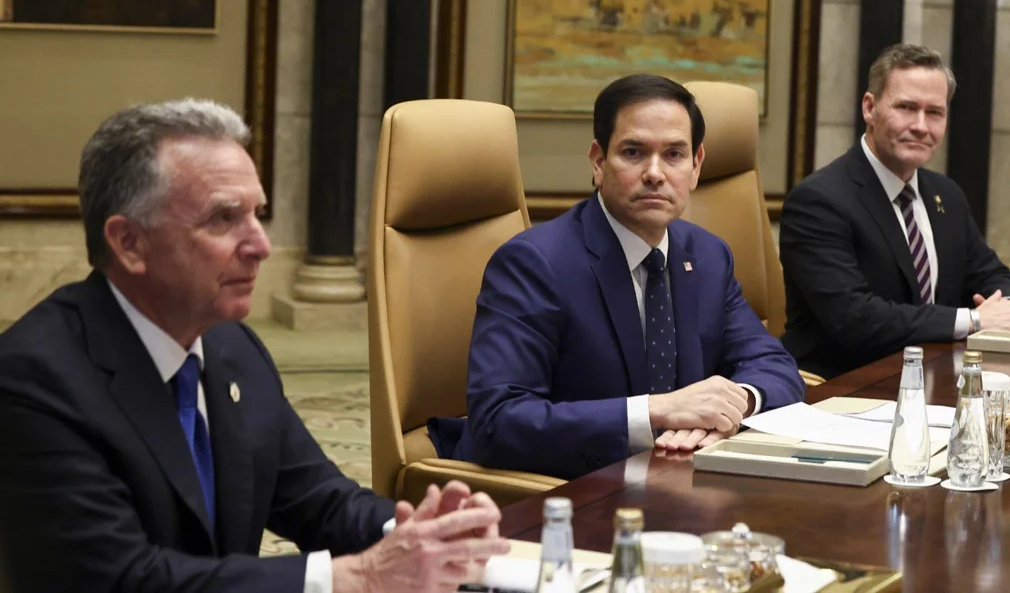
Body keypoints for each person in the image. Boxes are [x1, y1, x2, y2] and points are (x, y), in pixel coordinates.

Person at [0, 100, 510, 593]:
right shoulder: (35, 380)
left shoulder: (230, 347)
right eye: (223, 219)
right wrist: (359, 578)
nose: (261, 246)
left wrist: (419, 534)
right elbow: (125, 578)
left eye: (257, 214)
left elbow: (321, 502)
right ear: (129, 243)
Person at [429, 74, 805, 480]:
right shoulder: (534, 264)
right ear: (598, 161)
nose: (655, 173)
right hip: (564, 488)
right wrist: (657, 410)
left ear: (696, 166)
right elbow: (499, 422)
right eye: (633, 152)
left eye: (674, 155)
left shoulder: (708, 255)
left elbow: (774, 366)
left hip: (673, 477)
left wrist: (734, 404)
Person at [779, 44, 1010, 379]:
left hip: (934, 376)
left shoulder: (946, 195)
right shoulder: (818, 201)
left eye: (935, 113)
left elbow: (992, 274)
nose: (921, 126)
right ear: (870, 108)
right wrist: (974, 320)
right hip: (844, 387)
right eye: (907, 108)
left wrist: (1009, 308)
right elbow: (856, 319)